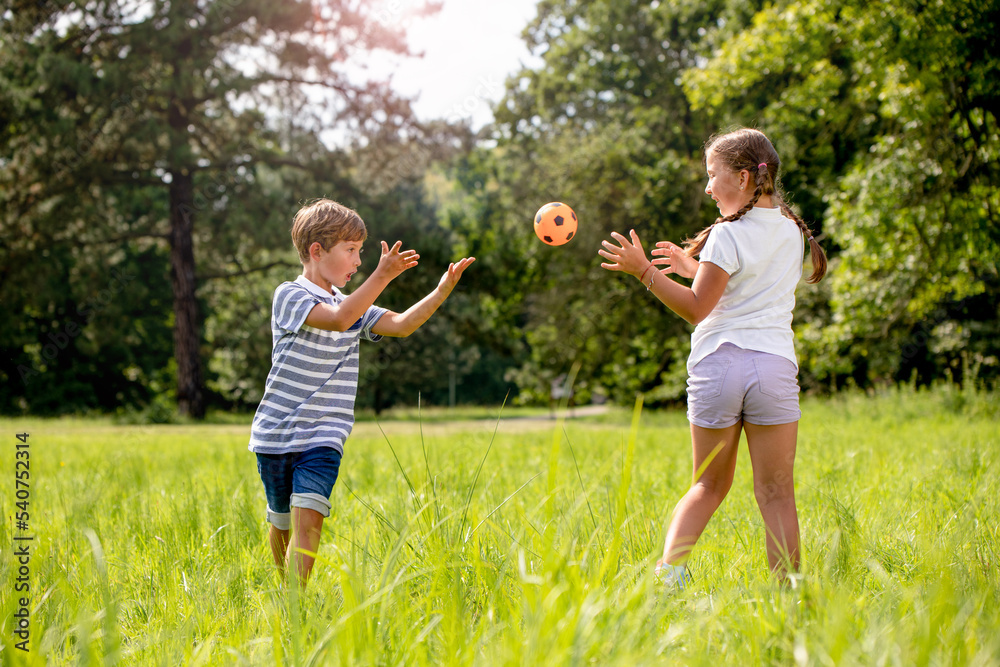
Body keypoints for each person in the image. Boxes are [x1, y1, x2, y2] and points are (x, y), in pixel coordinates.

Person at [598, 128, 827, 587]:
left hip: (720, 367)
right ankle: (791, 593)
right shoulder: (791, 231)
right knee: (778, 495)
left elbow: (699, 308)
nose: (707, 187)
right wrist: (693, 268)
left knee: (708, 485)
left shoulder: (726, 234)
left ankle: (668, 580)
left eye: (711, 175)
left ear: (743, 178)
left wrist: (644, 271)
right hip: (773, 369)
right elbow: (746, 287)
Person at [249, 198, 475, 587]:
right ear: (316, 252)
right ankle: (282, 587)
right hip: (276, 434)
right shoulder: (290, 295)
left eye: (361, 252)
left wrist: (441, 291)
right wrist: (382, 276)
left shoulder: (352, 305)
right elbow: (338, 321)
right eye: (351, 251)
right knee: (281, 520)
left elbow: (402, 324)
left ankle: (295, 607)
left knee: (309, 518)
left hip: (323, 436)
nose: (358, 262)